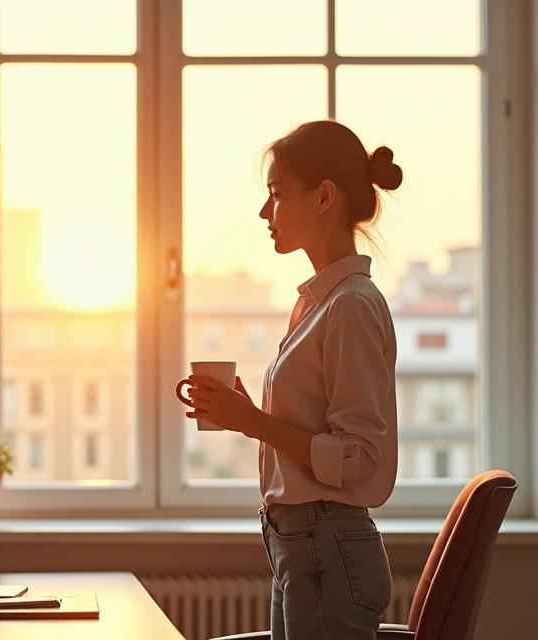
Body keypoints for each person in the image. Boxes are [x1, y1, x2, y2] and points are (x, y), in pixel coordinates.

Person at [178, 120, 402, 640]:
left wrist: (255, 423)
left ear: (324, 197)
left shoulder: (349, 306)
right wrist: (247, 418)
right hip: (301, 546)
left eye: (276, 195)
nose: (264, 211)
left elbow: (360, 457)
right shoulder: (316, 304)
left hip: (326, 547)